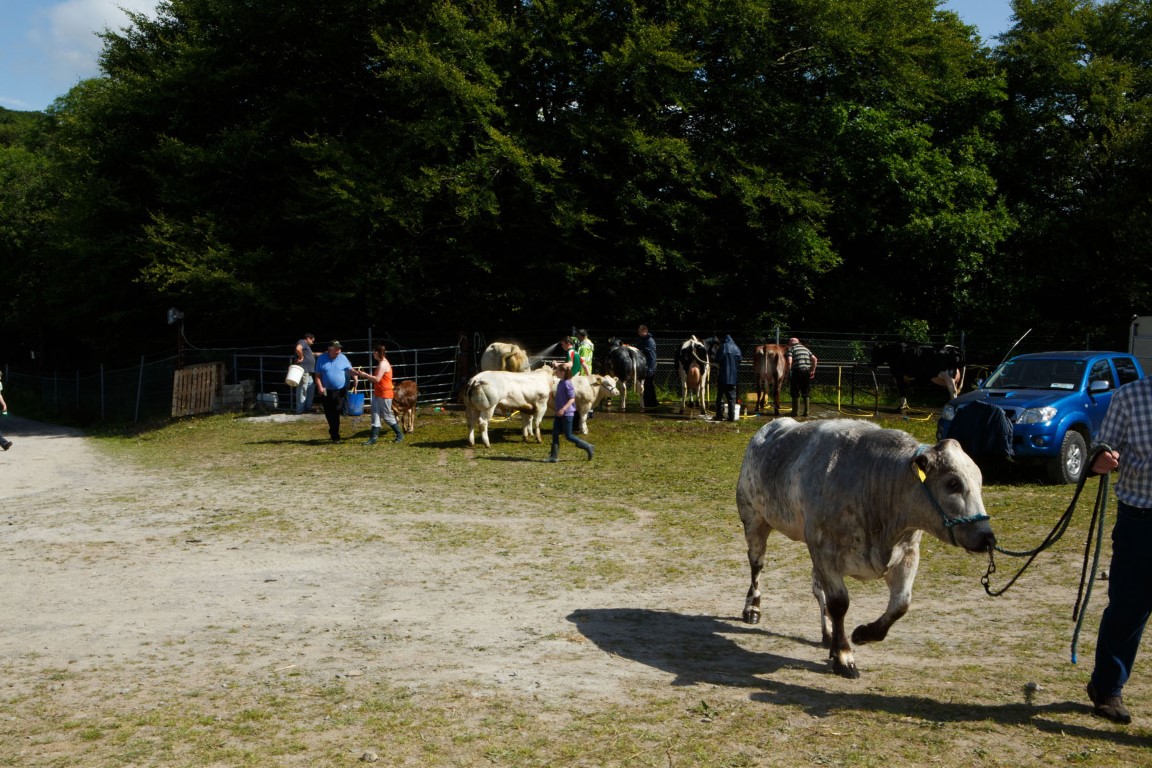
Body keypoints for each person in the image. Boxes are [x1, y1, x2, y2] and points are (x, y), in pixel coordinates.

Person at [1085, 373, 1152, 724]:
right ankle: (1107, 688)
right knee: (1129, 606)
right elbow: (1102, 444)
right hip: (1141, 520)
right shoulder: (1130, 396)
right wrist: (1100, 458)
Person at [313, 340, 361, 443]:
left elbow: (349, 369)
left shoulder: (343, 358)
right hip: (326, 390)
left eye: (339, 349)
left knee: (336, 411)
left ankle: (335, 435)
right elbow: (317, 375)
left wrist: (355, 372)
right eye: (336, 349)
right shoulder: (322, 359)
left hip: (340, 390)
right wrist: (320, 387)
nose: (338, 351)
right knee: (329, 412)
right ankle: (333, 431)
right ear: (329, 349)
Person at [358, 343, 404, 444]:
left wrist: (365, 375)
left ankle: (399, 434)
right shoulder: (381, 363)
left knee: (386, 415)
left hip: (385, 394)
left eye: (373, 352)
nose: (373, 354)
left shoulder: (383, 364)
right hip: (378, 393)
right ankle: (373, 438)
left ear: (376, 352)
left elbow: (377, 379)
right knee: (375, 414)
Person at [548, 361, 594, 462]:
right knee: (555, 433)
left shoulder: (567, 384)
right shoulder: (560, 383)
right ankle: (553, 457)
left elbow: (572, 399)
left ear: (562, 373)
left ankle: (588, 446)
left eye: (557, 371)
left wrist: (563, 409)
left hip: (567, 413)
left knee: (568, 436)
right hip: (559, 413)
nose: (555, 372)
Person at [785, 337, 817, 417]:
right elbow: (815, 359)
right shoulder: (806, 349)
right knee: (805, 391)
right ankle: (806, 412)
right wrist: (812, 370)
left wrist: (787, 373)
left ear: (790, 343)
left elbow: (789, 362)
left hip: (797, 371)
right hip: (806, 372)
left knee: (795, 391)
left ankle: (795, 412)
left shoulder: (791, 349)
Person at [714, 334, 742, 422]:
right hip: (733, 379)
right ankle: (731, 417)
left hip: (722, 378)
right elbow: (740, 360)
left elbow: (717, 359)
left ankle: (719, 415)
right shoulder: (736, 348)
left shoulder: (723, 347)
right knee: (731, 399)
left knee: (720, 398)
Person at [293, 333, 317, 414]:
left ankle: (307, 407)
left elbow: (312, 354)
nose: (312, 343)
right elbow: (298, 348)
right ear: (308, 338)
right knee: (302, 389)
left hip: (309, 371)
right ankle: (300, 410)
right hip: (304, 370)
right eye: (312, 341)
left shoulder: (307, 347)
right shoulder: (302, 342)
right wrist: (301, 357)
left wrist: (323, 353)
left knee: (310, 388)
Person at [638, 325, 658, 408]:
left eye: (639, 331)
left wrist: (650, 368)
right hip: (646, 365)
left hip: (650, 365)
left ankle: (651, 402)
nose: (638, 333)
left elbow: (649, 353)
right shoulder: (643, 340)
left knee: (649, 384)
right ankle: (649, 402)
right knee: (647, 384)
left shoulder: (649, 341)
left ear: (644, 331)